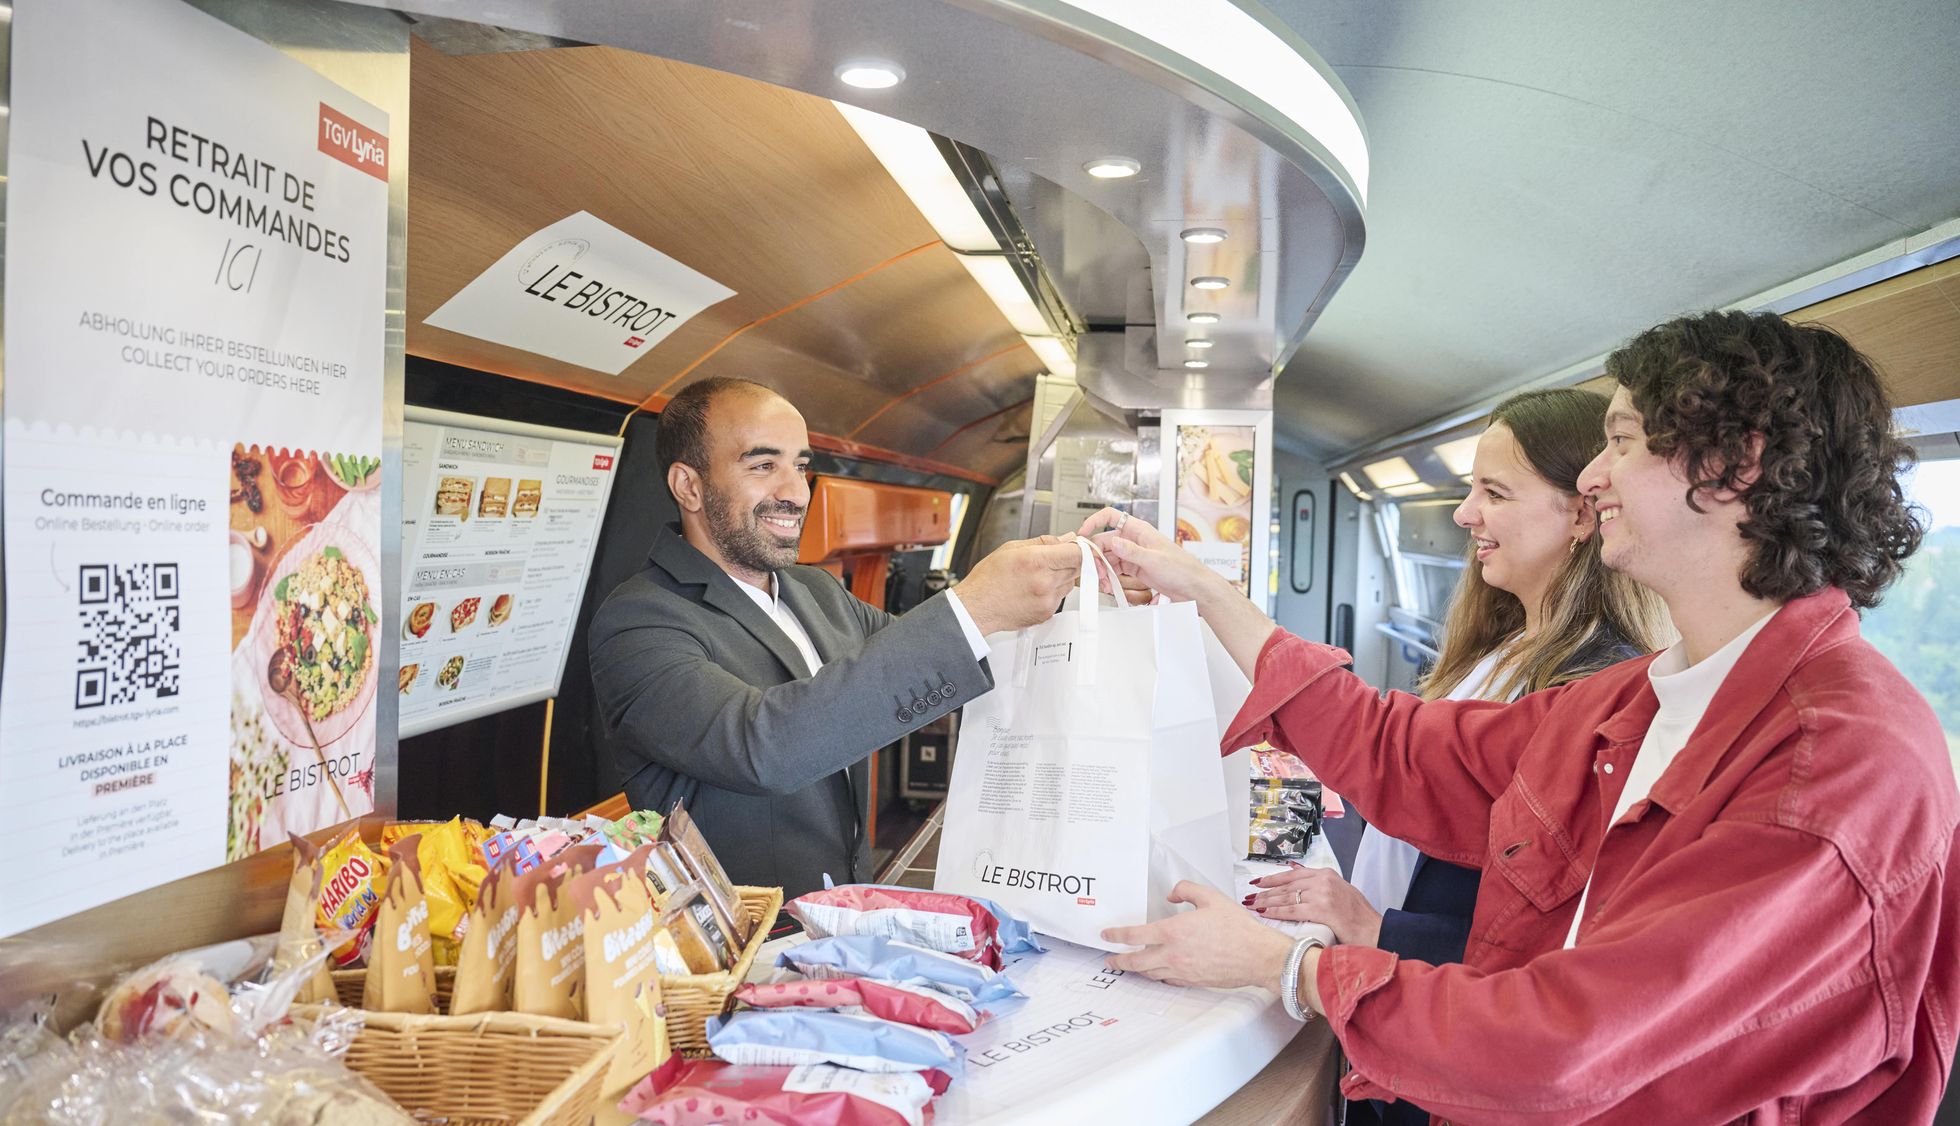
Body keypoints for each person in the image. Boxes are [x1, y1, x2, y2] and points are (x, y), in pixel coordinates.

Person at [1088, 311, 1957, 1123]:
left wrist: (1290, 969)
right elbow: (1401, 751)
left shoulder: (1837, 762)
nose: (1591, 477)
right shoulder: (1647, 697)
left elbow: (1571, 1045)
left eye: (1619, 442)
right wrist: (1201, 589)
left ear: (1732, 467)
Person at [1251, 389, 1668, 1126]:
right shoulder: (1506, 648)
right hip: (1391, 994)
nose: (1463, 514)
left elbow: (1546, 946)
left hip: (1434, 1029)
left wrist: (1374, 926)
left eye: (1492, 492)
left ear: (1579, 514)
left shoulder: (1592, 695)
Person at [590, 377, 1080, 896]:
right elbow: (764, 747)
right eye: (762, 466)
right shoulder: (639, 621)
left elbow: (925, 666)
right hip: (749, 948)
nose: (796, 491)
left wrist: (1076, 599)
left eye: (800, 466)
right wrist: (974, 606)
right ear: (689, 486)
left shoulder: (815, 591)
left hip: (843, 910)